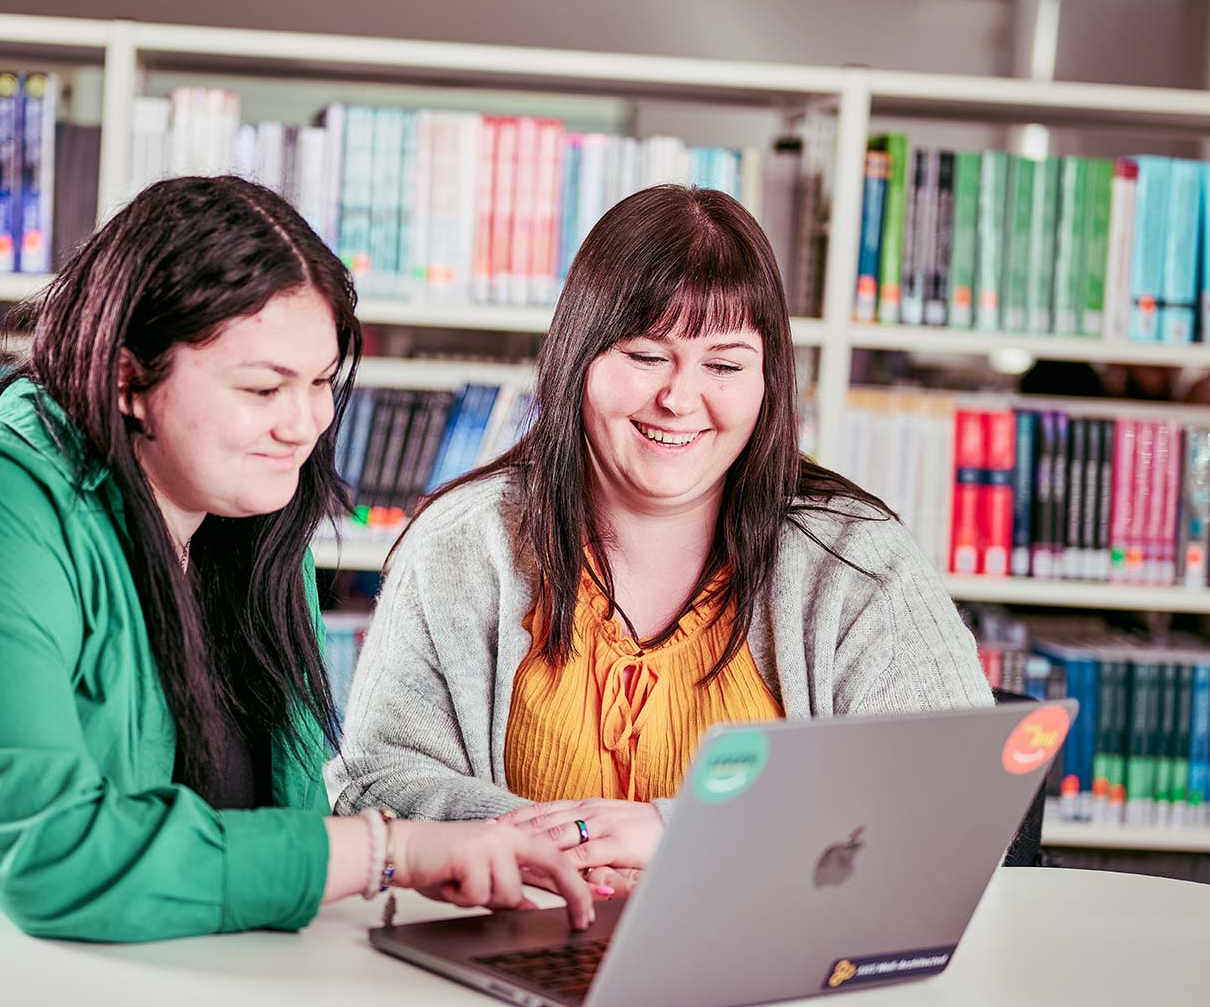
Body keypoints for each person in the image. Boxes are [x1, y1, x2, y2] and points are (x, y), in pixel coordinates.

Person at [0, 176, 594, 942]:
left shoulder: (255, 530)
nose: (306, 423)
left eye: (319, 383)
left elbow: (282, 838)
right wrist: (390, 851)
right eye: (264, 385)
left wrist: (469, 845)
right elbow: (60, 855)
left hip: (43, 962)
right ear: (126, 378)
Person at [328, 185, 994, 892]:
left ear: (768, 382)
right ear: (577, 358)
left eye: (725, 365)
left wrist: (680, 833)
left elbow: (954, 791)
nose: (680, 398)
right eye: (647, 356)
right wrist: (562, 847)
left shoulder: (858, 559)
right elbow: (376, 781)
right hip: (520, 947)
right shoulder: (461, 544)